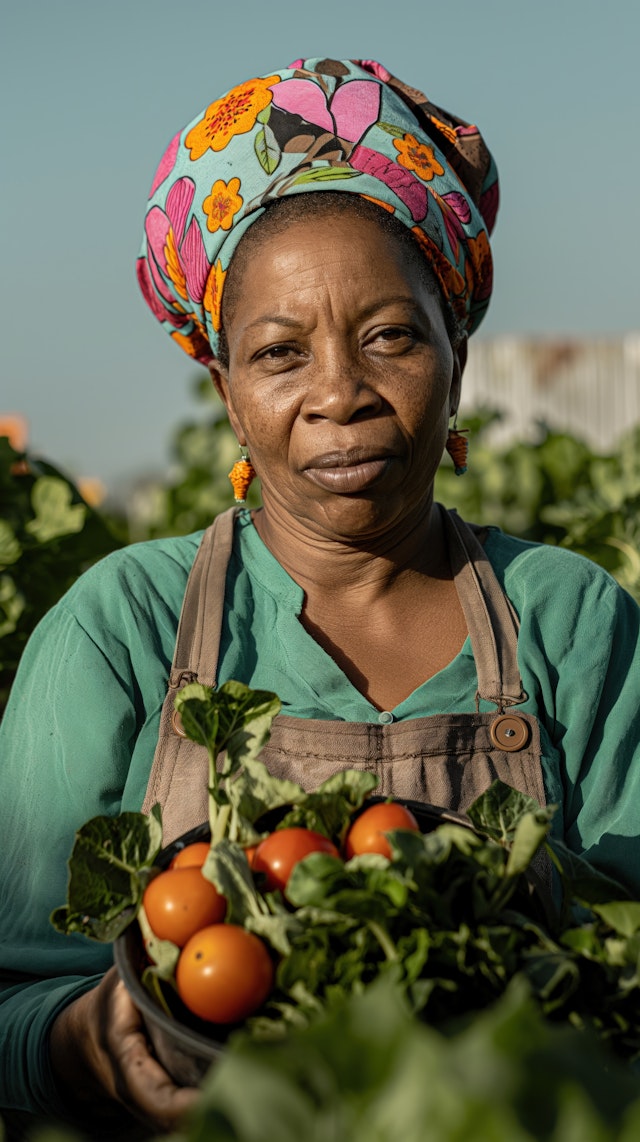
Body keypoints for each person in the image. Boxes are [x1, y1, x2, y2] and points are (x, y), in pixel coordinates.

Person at [1, 56, 639, 1138]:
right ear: (226, 389)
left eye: (390, 334)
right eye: (279, 353)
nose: (338, 392)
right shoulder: (122, 627)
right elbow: (13, 993)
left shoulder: (571, 615)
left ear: (456, 346)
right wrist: (79, 1045)